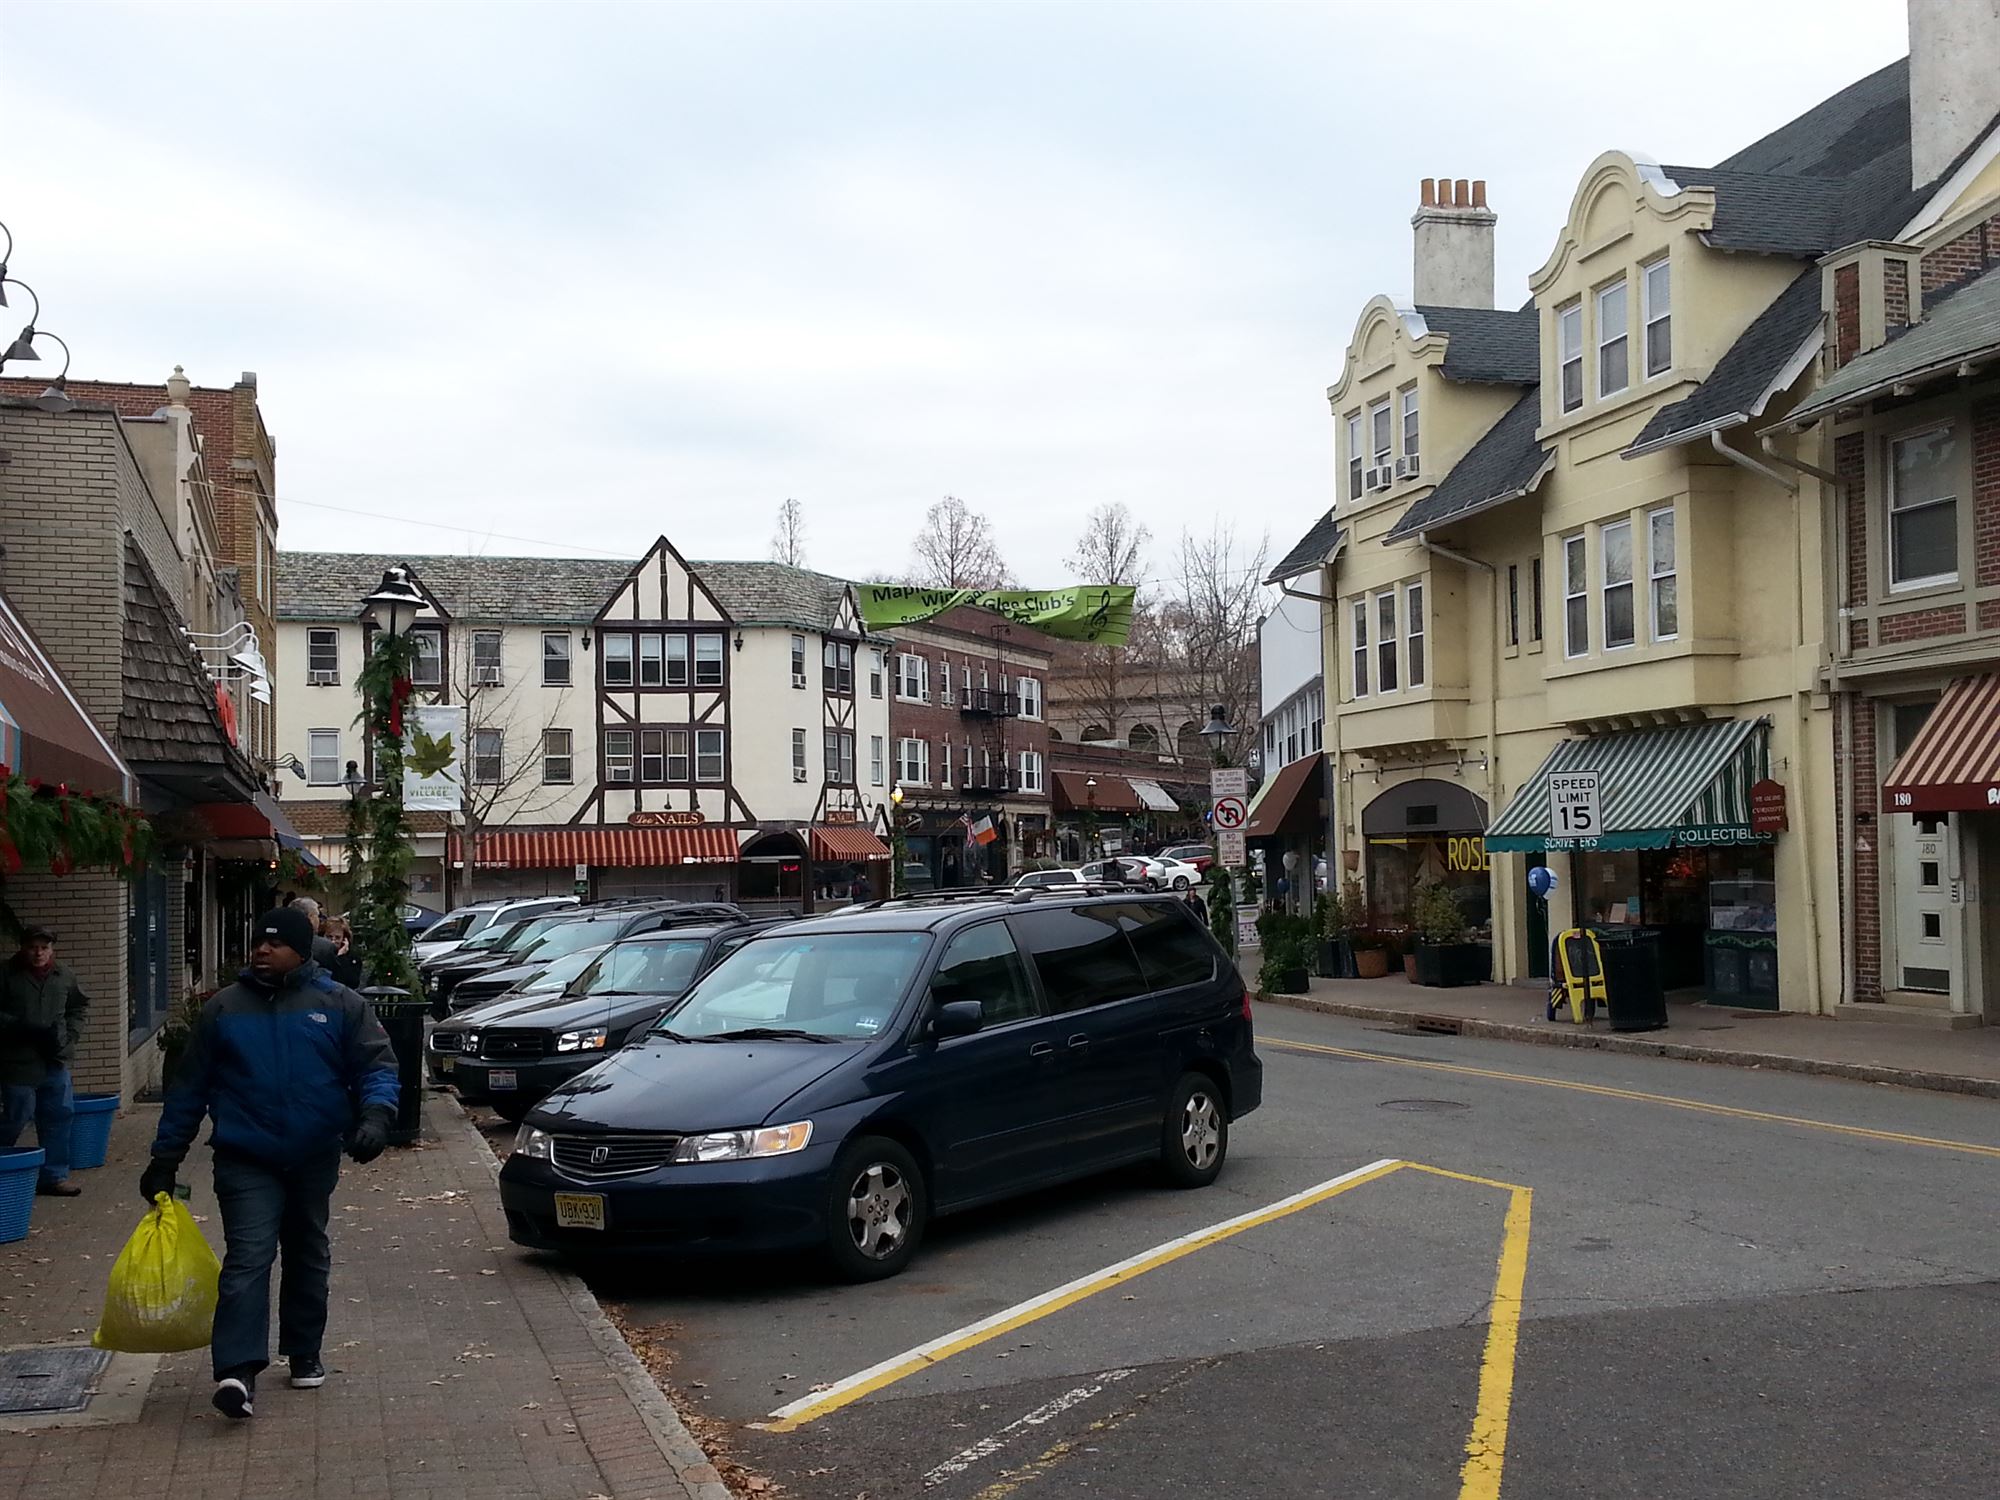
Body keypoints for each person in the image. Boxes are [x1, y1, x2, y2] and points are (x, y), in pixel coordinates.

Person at [142, 907, 398, 1421]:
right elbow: (189, 1089)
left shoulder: (339, 1004)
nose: (261, 950)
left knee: (307, 1250)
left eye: (274, 943)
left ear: (300, 952)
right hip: (245, 1156)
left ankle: (304, 1350)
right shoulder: (224, 1009)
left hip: (313, 1153)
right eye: (258, 941)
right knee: (248, 1257)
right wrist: (165, 1158)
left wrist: (377, 1116)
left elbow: (376, 1065)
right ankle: (238, 1371)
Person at [0, 925, 88, 1197]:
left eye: (44, 948)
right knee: (17, 1116)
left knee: (59, 1114)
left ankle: (54, 1176)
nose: (38, 953)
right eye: (32, 948)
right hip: (18, 1060)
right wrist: (17, 1027)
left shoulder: (64, 975)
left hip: (55, 1058)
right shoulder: (6, 974)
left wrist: (70, 1037)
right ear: (23, 948)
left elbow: (78, 1006)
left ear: (52, 949)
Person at [288, 897, 341, 969]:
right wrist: (341, 957)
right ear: (311, 917)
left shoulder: (279, 942)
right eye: (318, 916)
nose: (319, 920)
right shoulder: (325, 948)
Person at [320, 916, 364, 990]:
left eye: (337, 937)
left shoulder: (353, 959)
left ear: (344, 939)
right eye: (329, 937)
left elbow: (353, 983)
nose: (333, 941)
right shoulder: (318, 955)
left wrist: (340, 958)